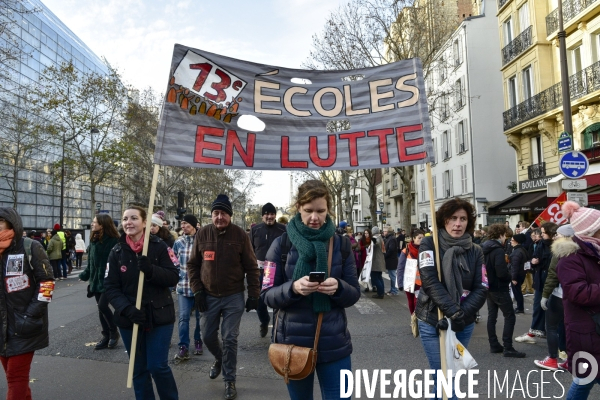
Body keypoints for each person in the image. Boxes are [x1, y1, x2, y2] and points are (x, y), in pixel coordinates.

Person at [261, 179, 361, 400]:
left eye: (320, 211)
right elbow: (266, 294)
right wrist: (293, 288)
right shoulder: (281, 244)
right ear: (298, 208)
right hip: (292, 345)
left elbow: (354, 293)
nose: (314, 218)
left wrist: (338, 288)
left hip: (334, 343)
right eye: (308, 211)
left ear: (328, 210)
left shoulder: (342, 245)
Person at [187, 194, 260, 400]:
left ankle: (229, 381)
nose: (219, 217)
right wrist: (197, 290)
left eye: (224, 213)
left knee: (229, 338)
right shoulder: (202, 234)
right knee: (207, 336)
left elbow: (252, 267)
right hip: (208, 295)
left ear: (230, 215)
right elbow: (193, 265)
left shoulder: (240, 235)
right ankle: (219, 359)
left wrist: (254, 294)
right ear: (212, 215)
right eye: (216, 213)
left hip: (233, 296)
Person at [104, 206, 179, 400]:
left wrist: (152, 270)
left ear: (145, 222)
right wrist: (127, 309)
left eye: (134, 218)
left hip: (159, 315)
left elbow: (173, 276)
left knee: (157, 366)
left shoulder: (160, 246)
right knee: (138, 369)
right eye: (125, 218)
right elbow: (110, 286)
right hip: (130, 319)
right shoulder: (117, 251)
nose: (128, 222)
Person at [415, 198, 487, 399]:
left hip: (463, 322)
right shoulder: (430, 243)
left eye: (463, 219)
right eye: (453, 218)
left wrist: (461, 315)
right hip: (432, 319)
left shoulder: (476, 250)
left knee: (452, 375)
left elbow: (482, 287)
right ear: (444, 221)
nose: (458, 223)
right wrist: (453, 311)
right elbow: (429, 281)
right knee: (442, 376)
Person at [0, 208, 54, 399]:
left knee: (16, 378)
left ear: (12, 223)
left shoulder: (31, 246)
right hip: (2, 327)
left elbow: (47, 282)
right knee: (13, 377)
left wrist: (31, 314)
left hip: (24, 325)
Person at [556, 202, 600, 399]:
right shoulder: (570, 258)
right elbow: (578, 293)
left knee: (585, 380)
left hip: (593, 330)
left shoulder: (594, 252)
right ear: (591, 231)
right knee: (584, 380)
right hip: (586, 332)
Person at [482, 223, 525, 358]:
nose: (506, 238)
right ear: (501, 235)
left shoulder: (484, 248)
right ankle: (508, 347)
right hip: (499, 288)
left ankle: (494, 344)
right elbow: (501, 272)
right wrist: (508, 277)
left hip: (488, 286)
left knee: (492, 317)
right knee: (509, 316)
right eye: (505, 235)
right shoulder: (498, 250)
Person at [534, 224, 573, 371]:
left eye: (558, 234)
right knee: (571, 328)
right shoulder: (584, 248)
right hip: (577, 295)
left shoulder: (560, 250)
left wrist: (544, 295)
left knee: (551, 326)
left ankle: (551, 359)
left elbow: (552, 275)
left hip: (559, 294)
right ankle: (571, 360)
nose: (555, 236)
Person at [78, 215, 120, 350]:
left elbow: (118, 263)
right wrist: (85, 276)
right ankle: (106, 335)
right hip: (96, 281)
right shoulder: (94, 239)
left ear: (102, 225)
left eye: (95, 222)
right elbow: (91, 263)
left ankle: (114, 332)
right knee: (100, 309)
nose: (92, 224)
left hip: (109, 280)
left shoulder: (114, 241)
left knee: (103, 306)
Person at [515, 222, 557, 344]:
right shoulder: (540, 244)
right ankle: (534, 332)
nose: (541, 235)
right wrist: (533, 261)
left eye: (543, 233)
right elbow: (534, 257)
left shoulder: (556, 246)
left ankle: (558, 340)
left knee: (554, 309)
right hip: (540, 279)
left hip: (552, 281)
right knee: (538, 307)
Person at [250, 202, 286, 337]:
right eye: (266, 214)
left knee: (277, 299)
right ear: (262, 216)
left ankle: (275, 331)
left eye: (272, 214)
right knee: (260, 301)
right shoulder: (255, 230)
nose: (269, 217)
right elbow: (250, 250)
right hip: (259, 272)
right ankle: (264, 321)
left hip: (278, 271)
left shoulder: (283, 229)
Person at [172, 214, 203, 361]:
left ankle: (198, 341)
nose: (183, 226)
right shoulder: (178, 243)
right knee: (183, 317)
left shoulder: (203, 242)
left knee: (199, 318)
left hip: (199, 288)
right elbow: (173, 263)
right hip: (183, 287)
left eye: (185, 223)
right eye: (182, 224)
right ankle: (183, 346)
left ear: (194, 225)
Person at [397, 229, 424, 314]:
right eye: (419, 238)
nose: (421, 240)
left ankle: (417, 319)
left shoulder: (425, 250)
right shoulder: (406, 251)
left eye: (423, 238)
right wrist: (400, 283)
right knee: (411, 302)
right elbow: (400, 267)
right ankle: (413, 319)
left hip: (421, 282)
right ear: (414, 238)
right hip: (409, 281)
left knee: (417, 302)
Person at [509, 233, 528, 314]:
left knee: (517, 292)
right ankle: (520, 307)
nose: (511, 242)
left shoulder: (517, 252)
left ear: (517, 241)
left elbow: (515, 266)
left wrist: (513, 278)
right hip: (521, 274)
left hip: (517, 275)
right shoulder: (522, 250)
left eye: (512, 240)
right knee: (517, 291)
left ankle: (520, 308)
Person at [368, 226, 387, 299]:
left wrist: (371, 239)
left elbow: (376, 243)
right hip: (380, 260)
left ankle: (380, 293)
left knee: (375, 277)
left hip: (376, 261)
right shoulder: (380, 237)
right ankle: (381, 292)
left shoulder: (376, 238)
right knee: (379, 277)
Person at [383, 225, 399, 295]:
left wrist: (385, 255)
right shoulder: (390, 238)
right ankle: (392, 289)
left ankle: (394, 290)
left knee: (392, 275)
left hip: (391, 260)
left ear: (388, 232)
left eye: (385, 231)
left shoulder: (391, 239)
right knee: (391, 275)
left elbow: (391, 249)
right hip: (391, 259)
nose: (384, 232)